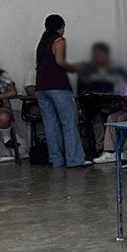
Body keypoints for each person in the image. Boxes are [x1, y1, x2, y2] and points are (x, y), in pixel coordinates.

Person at [34, 14, 88, 168]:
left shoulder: (42, 43)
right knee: (69, 122)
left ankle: (56, 159)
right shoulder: (59, 40)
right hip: (58, 86)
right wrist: (75, 67)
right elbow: (60, 61)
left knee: (50, 125)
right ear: (61, 26)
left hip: (41, 88)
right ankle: (74, 159)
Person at [77, 42, 127, 156]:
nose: (98, 57)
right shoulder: (88, 71)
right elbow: (81, 92)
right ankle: (101, 148)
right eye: (96, 55)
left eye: (100, 54)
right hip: (95, 106)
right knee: (97, 117)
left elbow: (123, 87)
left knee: (112, 115)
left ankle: (114, 148)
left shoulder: (115, 69)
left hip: (113, 103)